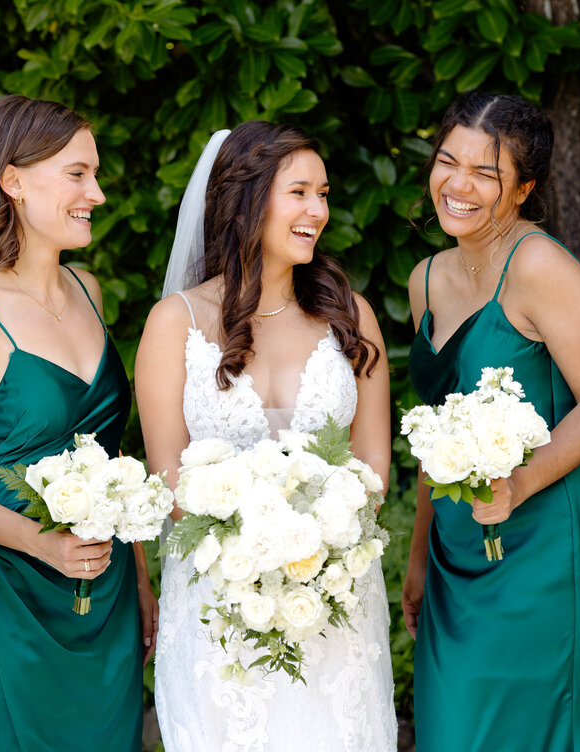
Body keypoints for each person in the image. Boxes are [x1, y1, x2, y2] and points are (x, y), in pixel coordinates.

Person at [137, 121, 397, 751]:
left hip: (333, 598)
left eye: (324, 194)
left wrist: (316, 545)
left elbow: (372, 468)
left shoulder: (349, 317)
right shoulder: (177, 324)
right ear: (247, 200)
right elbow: (169, 480)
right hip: (221, 608)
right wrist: (255, 545)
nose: (319, 211)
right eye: (300, 193)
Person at [0, 95, 154, 751]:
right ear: (12, 180)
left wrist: (136, 575)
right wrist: (43, 543)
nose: (97, 193)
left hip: (105, 593)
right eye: (77, 173)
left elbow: (111, 458)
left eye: (95, 174)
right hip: (13, 596)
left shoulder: (89, 290)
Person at [401, 91, 580, 751]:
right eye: (448, 162)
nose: (458, 185)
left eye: (486, 174)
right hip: (454, 557)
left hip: (543, 560)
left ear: (524, 187)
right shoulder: (426, 278)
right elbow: (433, 430)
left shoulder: (541, 269)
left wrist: (520, 484)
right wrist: (419, 557)